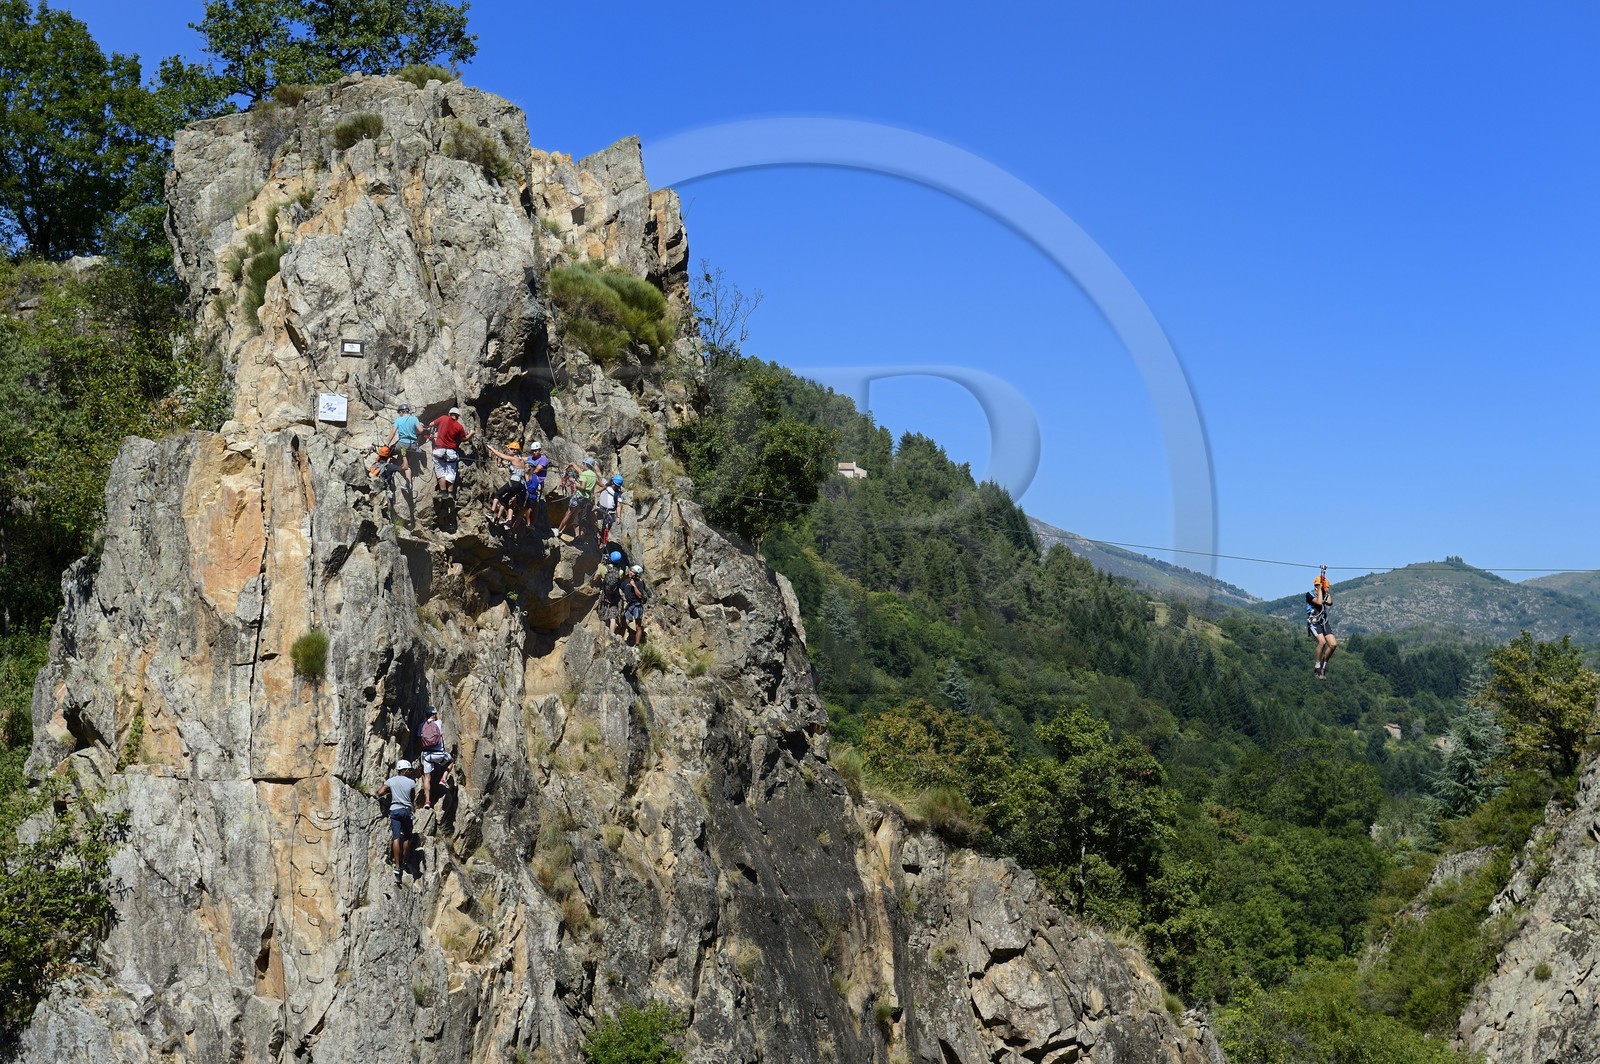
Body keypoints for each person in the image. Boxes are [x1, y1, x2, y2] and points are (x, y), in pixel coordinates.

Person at [377, 759, 420, 886]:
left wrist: (390, 791)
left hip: (395, 810)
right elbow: (412, 798)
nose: (410, 772)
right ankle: (403, 862)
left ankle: (396, 865)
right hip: (406, 810)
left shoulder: (391, 781)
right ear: (404, 770)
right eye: (409, 770)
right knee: (407, 837)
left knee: (396, 837)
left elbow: (380, 792)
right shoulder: (411, 782)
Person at [428, 406, 474, 498]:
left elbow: (431, 424)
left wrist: (432, 433)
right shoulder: (459, 426)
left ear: (449, 414)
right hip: (451, 451)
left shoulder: (443, 418)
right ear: (458, 416)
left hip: (439, 450)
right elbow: (463, 439)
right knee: (451, 472)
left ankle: (443, 492)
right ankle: (450, 493)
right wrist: (471, 434)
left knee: (440, 471)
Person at [485, 441, 530, 529]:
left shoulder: (513, 459)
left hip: (514, 482)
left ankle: (491, 512)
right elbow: (526, 457)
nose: (508, 451)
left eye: (509, 450)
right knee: (505, 500)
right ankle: (497, 519)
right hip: (520, 485)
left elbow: (500, 455)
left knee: (498, 494)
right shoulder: (521, 459)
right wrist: (508, 447)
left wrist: (491, 448)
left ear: (513, 450)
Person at [417, 706, 453, 808]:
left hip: (427, 755)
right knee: (451, 761)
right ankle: (443, 779)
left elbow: (419, 740)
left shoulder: (421, 725)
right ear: (434, 715)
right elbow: (439, 723)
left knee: (427, 778)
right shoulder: (438, 723)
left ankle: (427, 801)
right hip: (438, 754)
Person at [556, 456, 599, 538]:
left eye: (583, 464)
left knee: (568, 513)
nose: (582, 465)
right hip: (586, 499)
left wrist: (575, 483)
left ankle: (558, 530)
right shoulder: (594, 476)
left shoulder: (584, 474)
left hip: (579, 495)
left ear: (586, 465)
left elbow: (582, 487)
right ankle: (562, 531)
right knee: (573, 516)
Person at [385, 402, 424, 489]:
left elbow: (392, 433)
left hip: (402, 446)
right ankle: (408, 484)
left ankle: (387, 467)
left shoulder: (398, 420)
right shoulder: (414, 419)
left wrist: (386, 444)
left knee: (389, 452)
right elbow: (421, 430)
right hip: (413, 446)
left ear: (401, 412)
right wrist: (418, 428)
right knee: (407, 462)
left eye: (399, 413)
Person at [1307, 568, 1336, 678]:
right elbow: (1319, 603)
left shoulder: (1325, 594)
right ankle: (1317, 666)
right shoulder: (1310, 594)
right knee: (1322, 642)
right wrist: (1320, 589)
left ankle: (1324, 664)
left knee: (1333, 644)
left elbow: (1329, 602)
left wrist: (1326, 592)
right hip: (1314, 622)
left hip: (1324, 622)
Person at [597, 550, 626, 636]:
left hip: (605, 596)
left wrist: (599, 568)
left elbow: (595, 578)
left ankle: (601, 634)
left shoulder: (604, 568)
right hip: (615, 596)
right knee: (613, 616)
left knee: (603, 615)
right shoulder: (620, 571)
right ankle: (611, 633)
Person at [524, 442, 551, 528]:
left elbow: (537, 470)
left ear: (539, 450)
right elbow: (523, 459)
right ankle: (528, 522)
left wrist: (527, 472)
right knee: (527, 501)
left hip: (538, 483)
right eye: (533, 451)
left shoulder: (543, 459)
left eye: (536, 451)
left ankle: (532, 523)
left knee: (535, 503)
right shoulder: (530, 458)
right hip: (529, 481)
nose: (534, 452)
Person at [622, 563, 649, 646]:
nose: (630, 572)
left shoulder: (639, 583)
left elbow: (640, 595)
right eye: (631, 571)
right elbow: (621, 587)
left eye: (633, 572)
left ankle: (637, 644)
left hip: (637, 604)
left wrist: (634, 586)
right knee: (624, 622)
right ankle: (624, 639)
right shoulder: (626, 581)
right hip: (629, 604)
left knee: (638, 625)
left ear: (636, 574)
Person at [370, 445, 403, 510]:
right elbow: (404, 468)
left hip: (374, 489)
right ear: (388, 457)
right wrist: (404, 456)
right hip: (385, 491)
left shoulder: (374, 465)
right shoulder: (390, 466)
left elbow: (378, 459)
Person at [594, 474, 623, 546]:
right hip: (601, 509)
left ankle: (603, 544)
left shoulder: (618, 494)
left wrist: (618, 517)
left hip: (610, 513)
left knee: (605, 529)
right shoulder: (606, 486)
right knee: (596, 525)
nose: (614, 486)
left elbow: (619, 506)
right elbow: (597, 491)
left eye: (616, 486)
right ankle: (596, 540)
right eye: (614, 484)